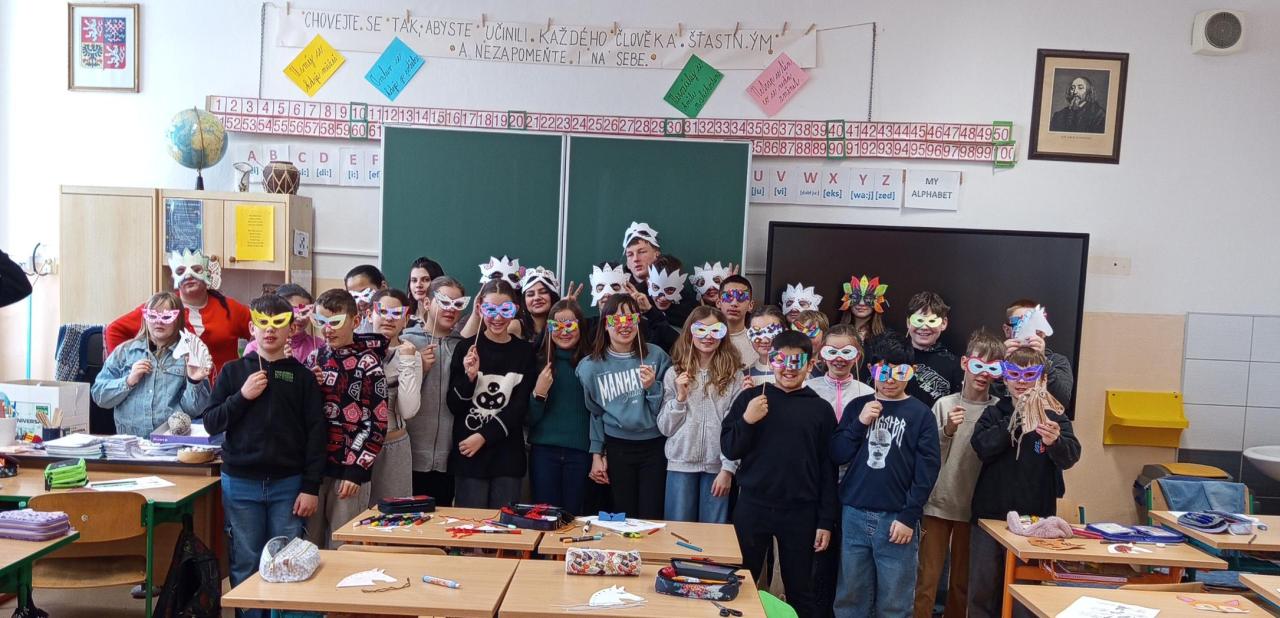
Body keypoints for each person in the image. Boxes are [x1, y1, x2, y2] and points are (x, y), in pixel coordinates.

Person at [201, 293, 324, 614]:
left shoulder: (302, 377)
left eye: (278, 323)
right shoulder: (232, 372)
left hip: (289, 485)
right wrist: (242, 396)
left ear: (291, 329)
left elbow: (316, 434)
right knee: (245, 559)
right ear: (251, 328)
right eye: (262, 323)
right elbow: (211, 422)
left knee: (286, 561)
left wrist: (310, 487)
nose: (270, 330)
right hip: (241, 483)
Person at [721, 330, 835, 618]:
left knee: (800, 588)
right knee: (741, 581)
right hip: (753, 505)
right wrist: (747, 420)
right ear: (771, 361)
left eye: (797, 362)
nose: (788, 368)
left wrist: (825, 520)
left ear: (810, 365)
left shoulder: (820, 409)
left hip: (801, 511)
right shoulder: (751, 398)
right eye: (781, 360)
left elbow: (827, 468)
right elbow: (730, 448)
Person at [830, 335, 940, 618]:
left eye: (899, 372)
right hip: (854, 512)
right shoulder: (857, 406)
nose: (890, 380)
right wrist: (859, 423)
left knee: (895, 602)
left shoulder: (921, 414)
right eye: (882, 372)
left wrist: (909, 516)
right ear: (871, 370)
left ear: (911, 372)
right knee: (850, 596)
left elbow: (927, 471)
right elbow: (838, 453)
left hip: (896, 518)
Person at [967, 346, 1081, 618]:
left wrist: (1055, 442)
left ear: (1042, 379)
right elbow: (982, 447)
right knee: (983, 590)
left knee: (1025, 593)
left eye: (1029, 375)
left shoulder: (1055, 417)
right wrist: (1016, 420)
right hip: (990, 516)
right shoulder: (994, 413)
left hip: (1035, 519)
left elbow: (1071, 456)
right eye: (1014, 375)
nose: (1021, 382)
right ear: (1005, 378)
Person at [914, 330, 1004, 618]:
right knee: (926, 579)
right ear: (965, 363)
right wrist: (947, 430)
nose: (983, 374)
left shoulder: (998, 410)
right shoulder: (944, 405)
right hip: (937, 503)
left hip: (974, 508)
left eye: (992, 367)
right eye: (978, 365)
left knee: (962, 582)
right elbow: (927, 456)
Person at [577, 293, 673, 520]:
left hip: (655, 446)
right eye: (616, 319)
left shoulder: (657, 356)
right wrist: (597, 454)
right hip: (617, 447)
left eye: (631, 318)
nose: (624, 325)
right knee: (622, 515)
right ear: (605, 324)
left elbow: (667, 409)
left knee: (651, 514)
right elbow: (595, 413)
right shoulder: (589, 367)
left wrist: (652, 387)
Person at [305, 289, 388, 548]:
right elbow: (303, 415)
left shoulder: (369, 363)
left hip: (350, 470)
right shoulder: (315, 358)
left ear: (355, 321)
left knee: (343, 543)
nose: (327, 329)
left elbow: (377, 422)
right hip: (315, 469)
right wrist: (309, 385)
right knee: (309, 543)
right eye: (321, 322)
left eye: (335, 322)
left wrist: (357, 470)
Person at [447, 280, 536, 508]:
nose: (497, 317)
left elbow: (519, 407)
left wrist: (484, 436)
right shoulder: (466, 348)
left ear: (515, 310)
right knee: (470, 524)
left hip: (507, 456)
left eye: (505, 310)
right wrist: (469, 378)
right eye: (490, 309)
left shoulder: (525, 352)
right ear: (479, 309)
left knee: (503, 526)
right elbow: (454, 405)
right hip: (469, 455)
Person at [804, 323, 873, 618]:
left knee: (851, 560)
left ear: (858, 355)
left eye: (847, 352)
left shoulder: (869, 394)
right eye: (832, 351)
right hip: (816, 483)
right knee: (817, 557)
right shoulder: (809, 390)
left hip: (854, 486)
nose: (839, 359)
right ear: (821, 353)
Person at [105, 249, 251, 377]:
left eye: (196, 269)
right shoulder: (161, 308)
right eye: (181, 271)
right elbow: (115, 330)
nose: (188, 276)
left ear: (208, 273)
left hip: (223, 392)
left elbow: (259, 330)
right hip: (176, 394)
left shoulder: (230, 308)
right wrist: (128, 370)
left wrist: (250, 368)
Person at [658, 307, 743, 523]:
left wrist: (728, 469)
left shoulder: (734, 376)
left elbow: (736, 427)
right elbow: (665, 427)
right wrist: (680, 398)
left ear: (723, 334)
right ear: (690, 332)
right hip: (681, 463)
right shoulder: (674, 373)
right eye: (701, 329)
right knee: (679, 531)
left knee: (713, 533)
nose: (708, 336)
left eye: (715, 330)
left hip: (718, 467)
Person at [92, 291, 211, 438]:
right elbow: (99, 396)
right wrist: (128, 381)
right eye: (152, 316)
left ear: (178, 319)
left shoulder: (189, 356)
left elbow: (195, 411)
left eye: (166, 317)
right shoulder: (124, 352)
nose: (158, 322)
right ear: (145, 318)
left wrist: (194, 381)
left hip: (171, 442)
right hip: (130, 443)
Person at [403, 276, 467, 506]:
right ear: (427, 303)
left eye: (457, 304)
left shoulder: (464, 347)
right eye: (444, 302)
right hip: (409, 454)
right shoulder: (406, 342)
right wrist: (418, 367)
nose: (451, 309)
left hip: (448, 456)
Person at [528, 298, 592, 514]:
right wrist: (539, 394)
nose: (564, 332)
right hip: (544, 452)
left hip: (581, 453)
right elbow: (527, 418)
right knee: (544, 517)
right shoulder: (537, 362)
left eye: (570, 325)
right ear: (548, 328)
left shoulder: (591, 364)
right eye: (557, 326)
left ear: (581, 327)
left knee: (574, 518)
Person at [367, 289, 423, 504]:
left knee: (394, 514)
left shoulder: (410, 354)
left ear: (406, 319)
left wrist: (407, 362)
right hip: (354, 446)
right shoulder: (353, 350)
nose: (389, 318)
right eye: (382, 311)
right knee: (352, 515)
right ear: (369, 314)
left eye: (396, 313)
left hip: (393, 445)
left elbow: (408, 410)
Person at [998, 299, 1075, 408]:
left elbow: (1063, 401)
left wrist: (1043, 362)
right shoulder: (995, 359)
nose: (1026, 333)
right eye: (1020, 326)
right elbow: (987, 396)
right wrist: (999, 362)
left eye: (1034, 327)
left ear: (1042, 332)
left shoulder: (1057, 361)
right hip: (1002, 416)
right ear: (1007, 330)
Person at [903, 291, 965, 408]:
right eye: (919, 320)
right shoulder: (894, 358)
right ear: (908, 322)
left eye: (931, 321)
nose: (924, 327)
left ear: (943, 323)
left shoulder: (954, 365)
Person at [244, 283, 324, 364]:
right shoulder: (255, 348)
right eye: (294, 311)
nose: (300, 318)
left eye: (306, 312)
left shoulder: (319, 345)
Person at [647, 254, 697, 337]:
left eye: (670, 290)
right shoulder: (639, 302)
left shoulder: (689, 309)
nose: (663, 298)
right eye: (656, 288)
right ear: (648, 284)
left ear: (679, 288)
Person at [838, 274, 894, 346]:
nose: (861, 303)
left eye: (868, 299)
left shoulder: (888, 339)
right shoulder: (835, 333)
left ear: (877, 301)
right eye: (856, 298)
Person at [517, 266, 562, 349]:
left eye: (543, 292)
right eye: (530, 294)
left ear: (553, 296)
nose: (537, 298)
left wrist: (568, 308)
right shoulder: (516, 327)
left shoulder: (562, 325)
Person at [717, 275, 756, 368]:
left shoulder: (758, 342)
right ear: (718, 303)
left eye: (741, 297)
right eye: (728, 296)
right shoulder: (709, 338)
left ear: (750, 305)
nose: (734, 303)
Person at [743, 306, 786, 387]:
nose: (764, 341)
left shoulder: (796, 370)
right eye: (757, 333)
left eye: (772, 332)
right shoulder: (745, 375)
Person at [404, 256, 444, 331]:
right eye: (414, 280)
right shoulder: (403, 316)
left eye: (426, 280)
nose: (418, 285)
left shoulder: (446, 317)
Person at [346, 264, 388, 332]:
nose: (361, 303)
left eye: (366, 294)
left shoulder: (397, 318)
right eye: (355, 297)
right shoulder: (353, 326)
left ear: (383, 287)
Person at [623, 221, 662, 288]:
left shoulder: (674, 286)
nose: (635, 259)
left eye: (642, 252)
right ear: (627, 263)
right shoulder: (619, 290)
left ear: (657, 254)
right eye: (630, 255)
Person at [793, 309, 830, 376]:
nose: (805, 337)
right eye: (799, 331)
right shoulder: (784, 365)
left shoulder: (830, 368)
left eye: (811, 332)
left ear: (824, 337)